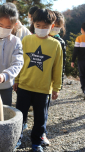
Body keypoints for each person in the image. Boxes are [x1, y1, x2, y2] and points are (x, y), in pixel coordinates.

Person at [14, 9, 62, 152]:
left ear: (52, 26)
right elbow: (19, 62)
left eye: (45, 27)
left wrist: (56, 88)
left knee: (40, 119)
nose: (41, 29)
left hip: (43, 89)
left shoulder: (55, 45)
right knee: (19, 117)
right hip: (24, 86)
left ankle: (36, 142)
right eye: (38, 25)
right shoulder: (26, 40)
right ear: (33, 24)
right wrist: (16, 79)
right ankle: (16, 139)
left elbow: (58, 68)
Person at [39, 10, 66, 147]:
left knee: (44, 109)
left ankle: (42, 133)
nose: (55, 29)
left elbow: (61, 66)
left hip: (48, 84)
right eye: (54, 25)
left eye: (58, 27)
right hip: (35, 80)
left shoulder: (60, 42)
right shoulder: (38, 37)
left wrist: (58, 86)